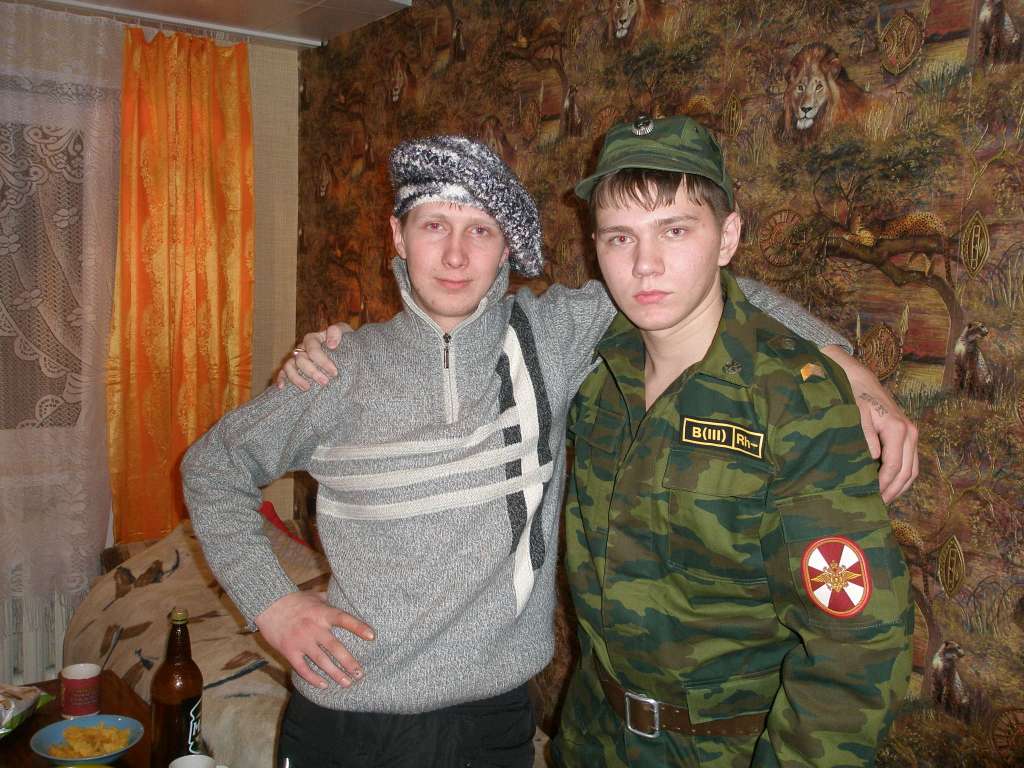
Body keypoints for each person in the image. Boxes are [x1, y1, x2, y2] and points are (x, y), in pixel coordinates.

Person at [190, 134, 911, 768]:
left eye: (480, 229)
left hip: (495, 718)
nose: (454, 254)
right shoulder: (338, 371)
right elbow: (213, 468)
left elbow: (714, 289)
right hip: (348, 714)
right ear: (398, 236)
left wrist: (848, 366)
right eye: (433, 224)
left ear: (508, 247)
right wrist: (273, 605)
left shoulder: (552, 337)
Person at [542, 116, 913, 767]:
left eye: (675, 230)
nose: (645, 264)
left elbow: (856, 649)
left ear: (728, 236)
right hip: (594, 737)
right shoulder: (597, 381)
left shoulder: (793, 401)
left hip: (729, 750)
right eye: (620, 237)